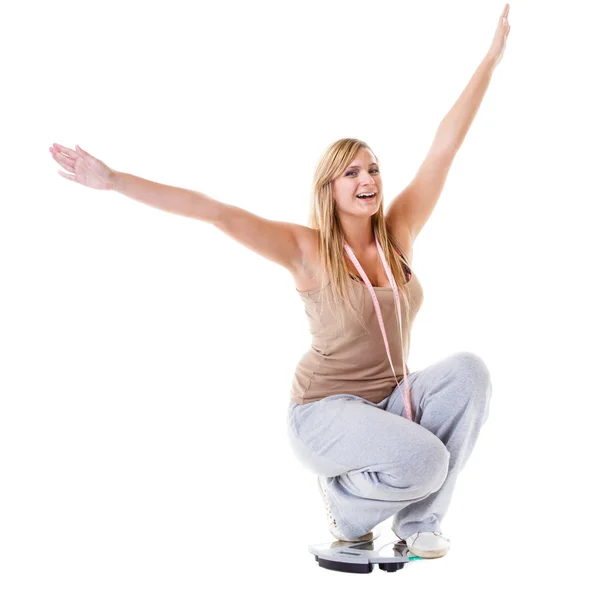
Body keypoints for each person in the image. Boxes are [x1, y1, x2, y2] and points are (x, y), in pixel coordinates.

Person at [48, 6, 510, 560]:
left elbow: (444, 146)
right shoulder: (306, 248)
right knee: (427, 461)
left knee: (468, 373)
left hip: (389, 401)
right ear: (330, 188)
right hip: (324, 412)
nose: (368, 179)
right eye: (352, 172)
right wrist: (115, 181)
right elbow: (213, 211)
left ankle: (419, 524)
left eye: (374, 168)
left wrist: (490, 59)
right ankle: (345, 505)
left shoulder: (399, 232)